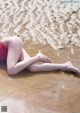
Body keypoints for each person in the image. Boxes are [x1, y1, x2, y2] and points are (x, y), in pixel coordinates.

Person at [0, 36, 80, 76]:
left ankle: (37, 57)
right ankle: (66, 65)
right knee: (33, 68)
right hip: (12, 50)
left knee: (11, 70)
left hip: (12, 43)